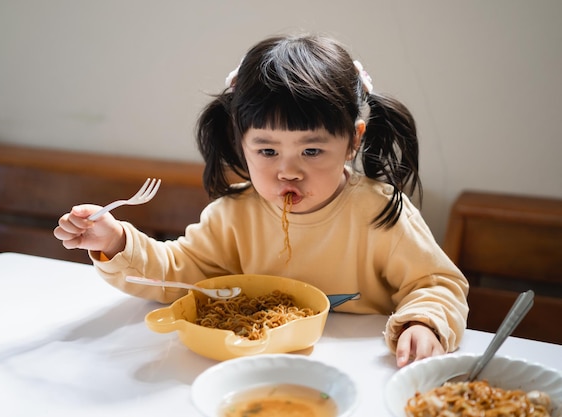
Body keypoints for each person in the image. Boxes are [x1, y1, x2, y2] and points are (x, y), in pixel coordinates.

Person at [54, 33, 468, 368]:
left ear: (352, 141)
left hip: (359, 370)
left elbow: (436, 283)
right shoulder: (234, 214)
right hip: (248, 366)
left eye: (311, 151)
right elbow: (178, 274)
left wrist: (424, 323)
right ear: (241, 142)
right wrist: (116, 243)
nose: (288, 171)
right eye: (267, 152)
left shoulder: (380, 213)